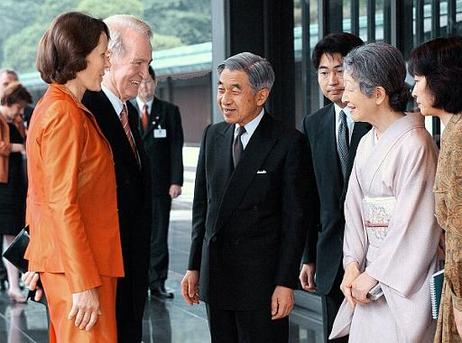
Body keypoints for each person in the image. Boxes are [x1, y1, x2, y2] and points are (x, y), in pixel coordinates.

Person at [181, 52, 312, 343]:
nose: (225, 99)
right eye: (221, 88)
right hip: (217, 274)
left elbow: (295, 220)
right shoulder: (212, 135)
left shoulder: (288, 141)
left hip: (261, 282)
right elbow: (203, 208)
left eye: (235, 90)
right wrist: (193, 266)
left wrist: (284, 282)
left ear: (261, 95)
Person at [329, 43, 440, 342]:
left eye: (350, 88)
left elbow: (415, 227)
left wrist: (374, 276)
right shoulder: (367, 142)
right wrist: (352, 265)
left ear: (377, 94)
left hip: (403, 279)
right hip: (366, 272)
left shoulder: (416, 144)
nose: (343, 97)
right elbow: (354, 211)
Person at [24, 11, 124, 342]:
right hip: (81, 267)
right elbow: (58, 203)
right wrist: (82, 282)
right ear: (77, 56)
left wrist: (38, 257)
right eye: (102, 55)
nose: (107, 63)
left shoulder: (54, 107)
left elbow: (38, 194)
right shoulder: (64, 114)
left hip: (75, 263)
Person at [82, 14, 152, 342]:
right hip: (100, 274)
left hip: (130, 268)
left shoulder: (126, 112)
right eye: (137, 62)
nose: (144, 73)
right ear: (108, 58)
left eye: (148, 63)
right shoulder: (85, 110)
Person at [298, 32, 368, 343]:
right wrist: (308, 256)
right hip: (329, 259)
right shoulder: (314, 123)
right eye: (324, 73)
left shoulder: (375, 120)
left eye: (340, 70)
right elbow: (310, 197)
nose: (332, 81)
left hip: (372, 259)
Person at [409, 36, 462, 343]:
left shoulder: (457, 135)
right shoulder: (451, 128)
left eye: (418, 80)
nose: (414, 90)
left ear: (442, 80)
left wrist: (458, 300)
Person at [133, 66, 184, 299]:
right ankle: (138, 281)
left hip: (161, 185)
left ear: (155, 83)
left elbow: (176, 148)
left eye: (149, 82)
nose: (145, 87)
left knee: (159, 235)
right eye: (141, 82)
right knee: (137, 233)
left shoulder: (169, 111)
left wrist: (176, 180)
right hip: (134, 186)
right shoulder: (126, 110)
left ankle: (157, 282)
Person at [0, 82, 31, 303]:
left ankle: (15, 282)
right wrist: (18, 148)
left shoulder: (15, 121)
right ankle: (13, 284)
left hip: (17, 182)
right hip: (4, 184)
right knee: (10, 234)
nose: (20, 112)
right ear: (9, 102)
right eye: (18, 107)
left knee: (14, 233)